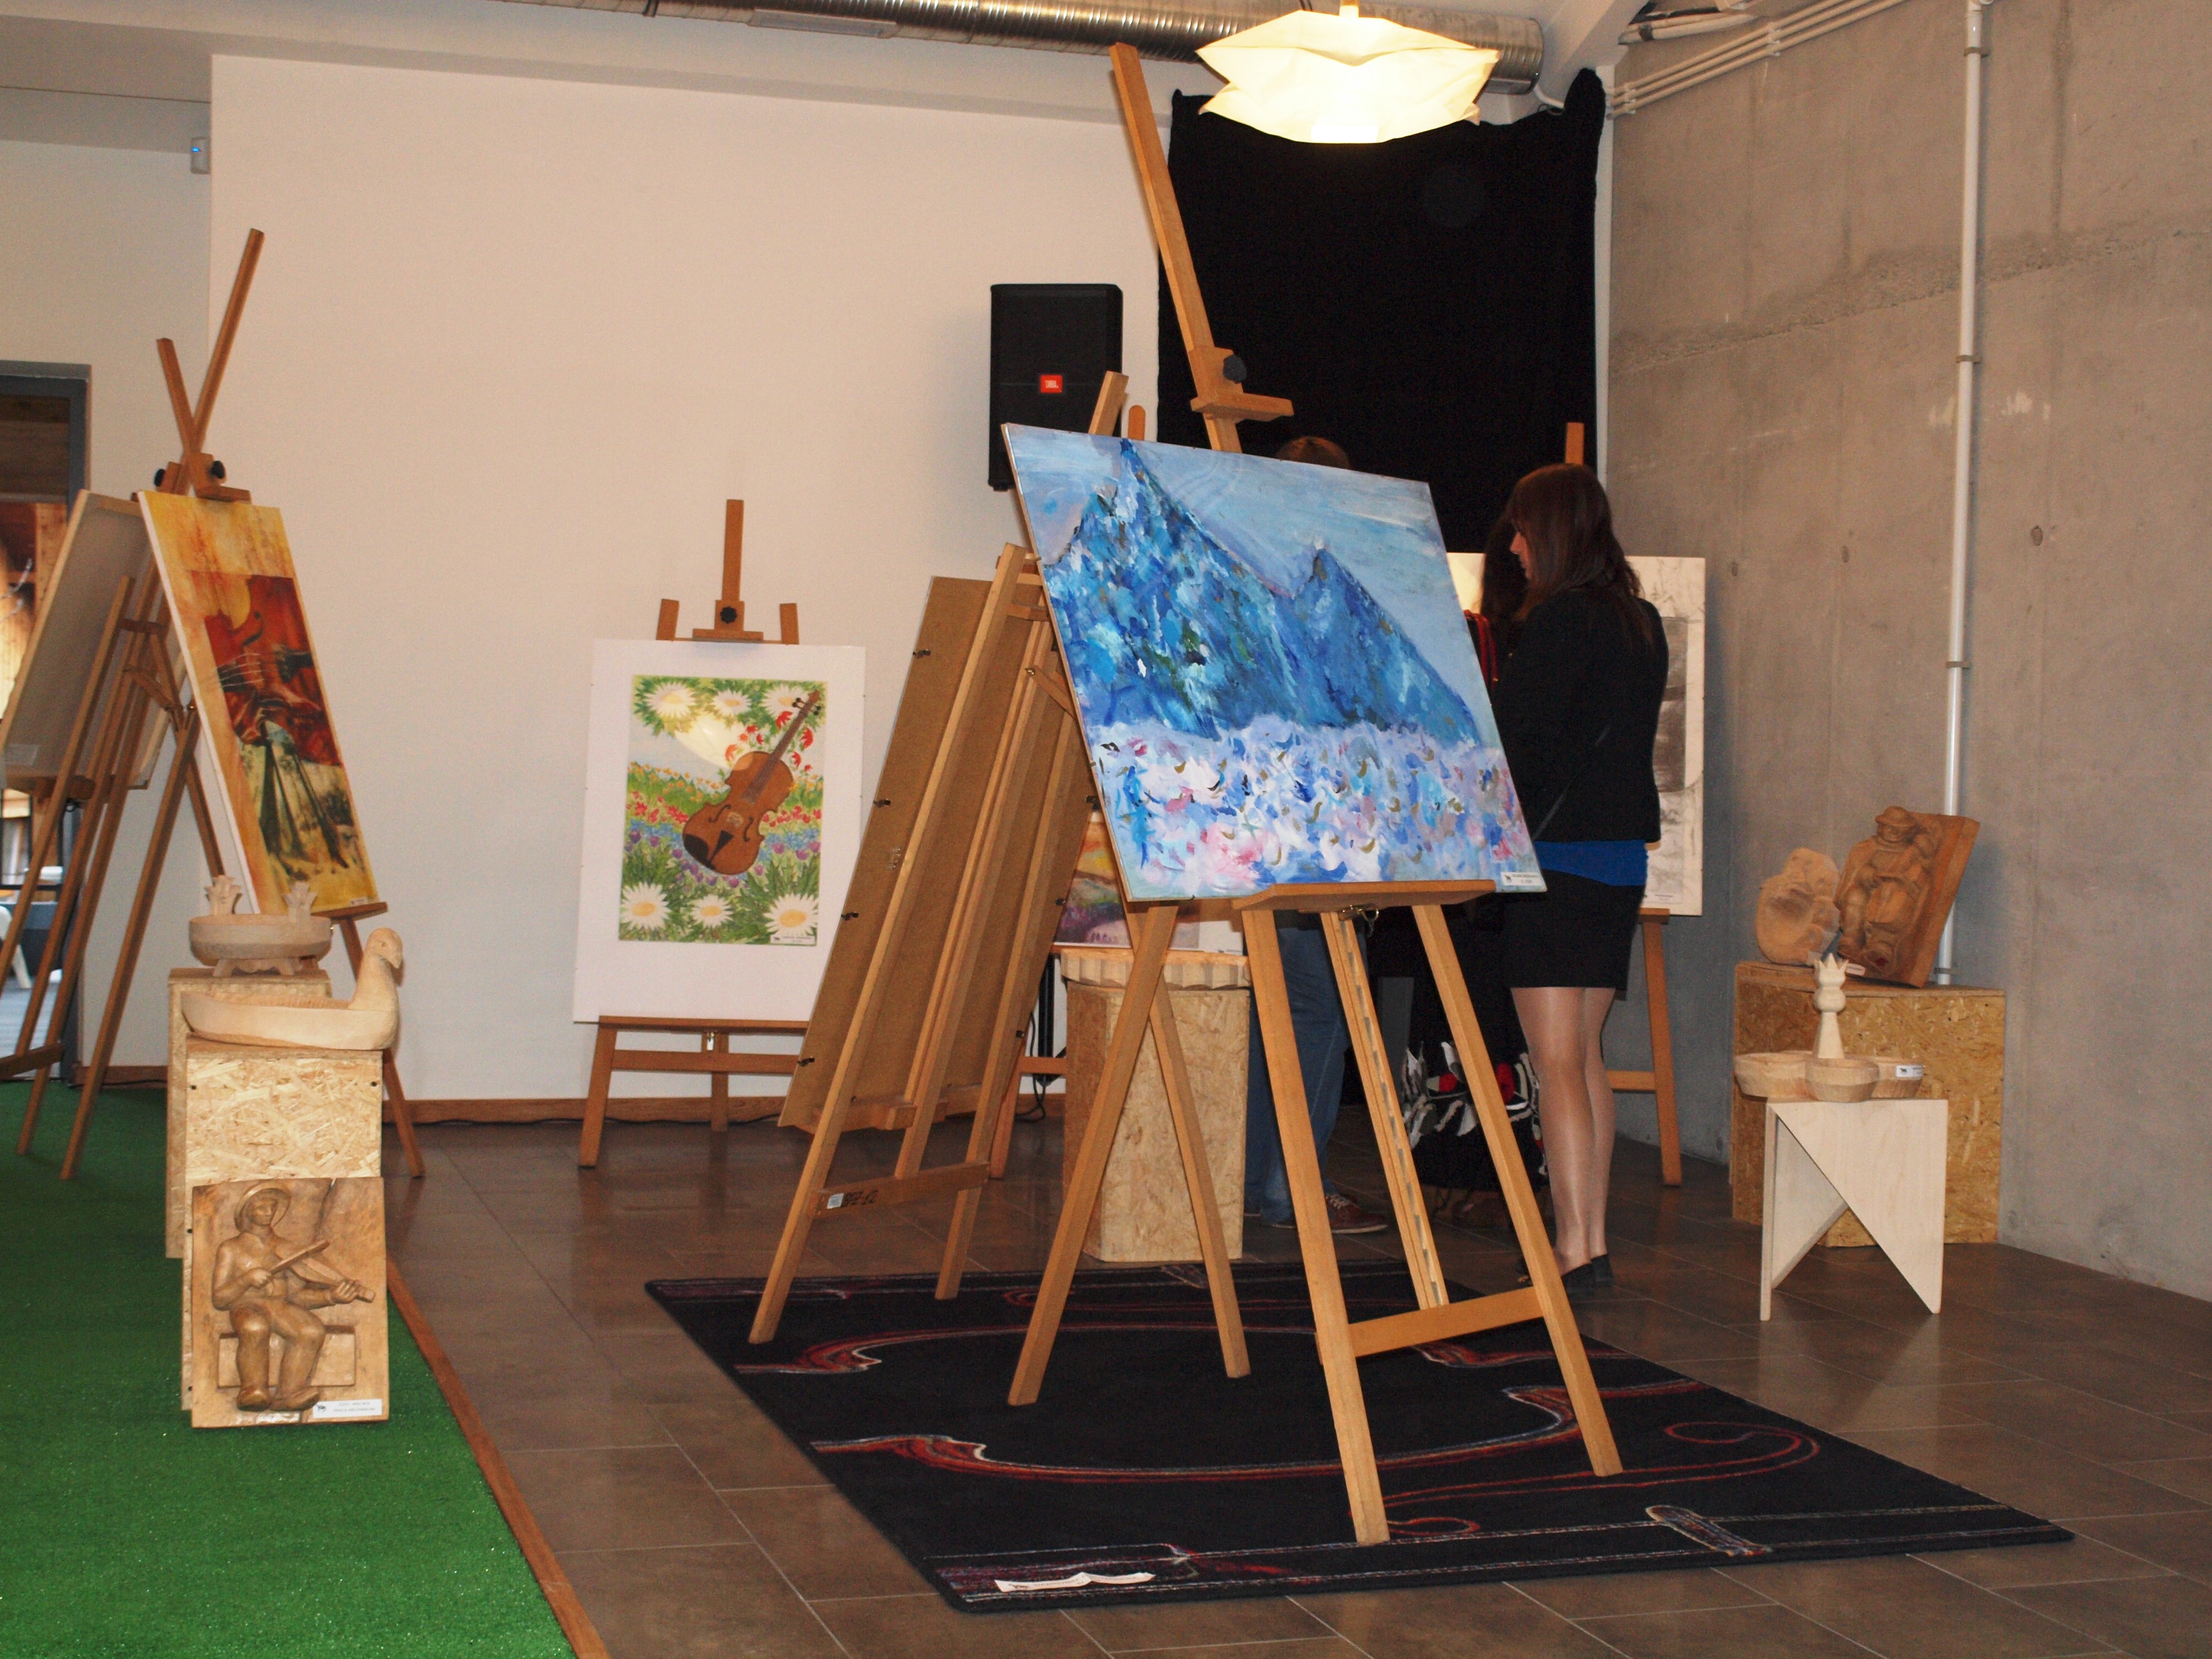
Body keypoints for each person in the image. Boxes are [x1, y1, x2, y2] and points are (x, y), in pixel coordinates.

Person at [1492, 464, 1667, 1294]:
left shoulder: (1560, 622)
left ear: (1554, 533)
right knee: (1586, 1055)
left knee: (1555, 1060)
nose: (1514, 548)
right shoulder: (1640, 621)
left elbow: (1521, 747)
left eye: (1524, 531)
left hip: (1555, 861)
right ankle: (1590, 1240)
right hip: (1619, 862)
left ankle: (1571, 1248)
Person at [1244, 434, 1388, 1236]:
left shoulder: (1260, 580)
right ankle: (1291, 1187)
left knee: (1283, 1014)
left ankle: (1260, 1182)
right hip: (1317, 844)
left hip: (1271, 842)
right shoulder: (1321, 595)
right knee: (1321, 1015)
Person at [211, 1183, 371, 1412]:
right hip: (247, 1306)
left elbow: (297, 1296)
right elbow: (219, 1299)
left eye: (272, 1207)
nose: (268, 1212)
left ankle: (290, 1393)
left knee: (311, 1330)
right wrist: (246, 1280)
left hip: (280, 1306)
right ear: (247, 1212)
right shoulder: (231, 1248)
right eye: (261, 1208)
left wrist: (331, 1296)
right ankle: (253, 1390)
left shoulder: (285, 1248)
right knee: (254, 1326)